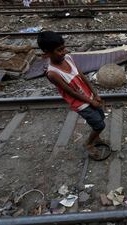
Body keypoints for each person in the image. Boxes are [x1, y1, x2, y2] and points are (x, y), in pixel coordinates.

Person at [37, 31, 105, 160]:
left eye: (64, 48)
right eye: (59, 50)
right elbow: (72, 93)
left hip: (89, 97)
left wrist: (95, 94)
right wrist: (91, 102)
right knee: (99, 125)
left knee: (101, 117)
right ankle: (89, 143)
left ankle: (96, 137)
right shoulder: (52, 73)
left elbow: (82, 76)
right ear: (47, 53)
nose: (64, 51)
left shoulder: (68, 58)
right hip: (81, 103)